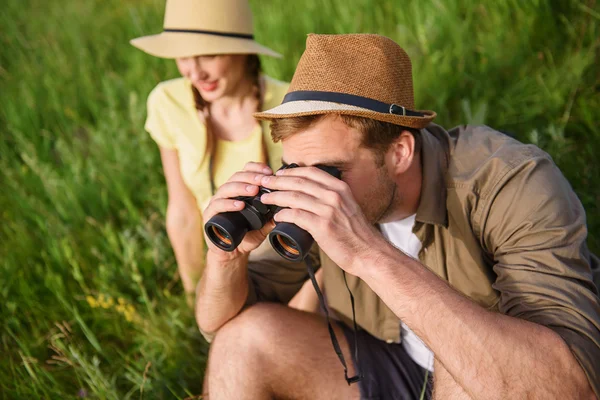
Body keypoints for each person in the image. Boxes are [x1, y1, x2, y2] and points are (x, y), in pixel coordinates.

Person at [195, 33, 600, 399]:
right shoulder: (314, 204)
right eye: (294, 171)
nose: (311, 192)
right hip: (385, 365)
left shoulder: (508, 182)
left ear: (400, 152)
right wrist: (226, 258)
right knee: (241, 342)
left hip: (488, 378)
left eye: (327, 174)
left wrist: (367, 254)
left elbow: (568, 387)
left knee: (462, 360)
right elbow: (216, 325)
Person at [129, 0, 322, 307]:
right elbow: (181, 208)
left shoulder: (290, 106)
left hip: (285, 259)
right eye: (183, 56)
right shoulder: (168, 102)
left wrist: (302, 308)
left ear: (242, 52)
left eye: (208, 54)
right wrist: (196, 293)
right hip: (221, 248)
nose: (194, 72)